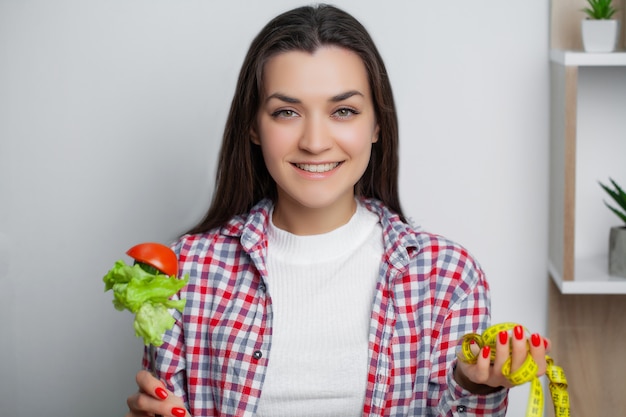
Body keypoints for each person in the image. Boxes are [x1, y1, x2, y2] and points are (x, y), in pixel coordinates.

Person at [125, 4, 549, 417]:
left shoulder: (447, 279)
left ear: (376, 124)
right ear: (253, 126)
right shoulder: (186, 271)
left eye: (343, 111)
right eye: (286, 112)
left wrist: (473, 386)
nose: (314, 141)